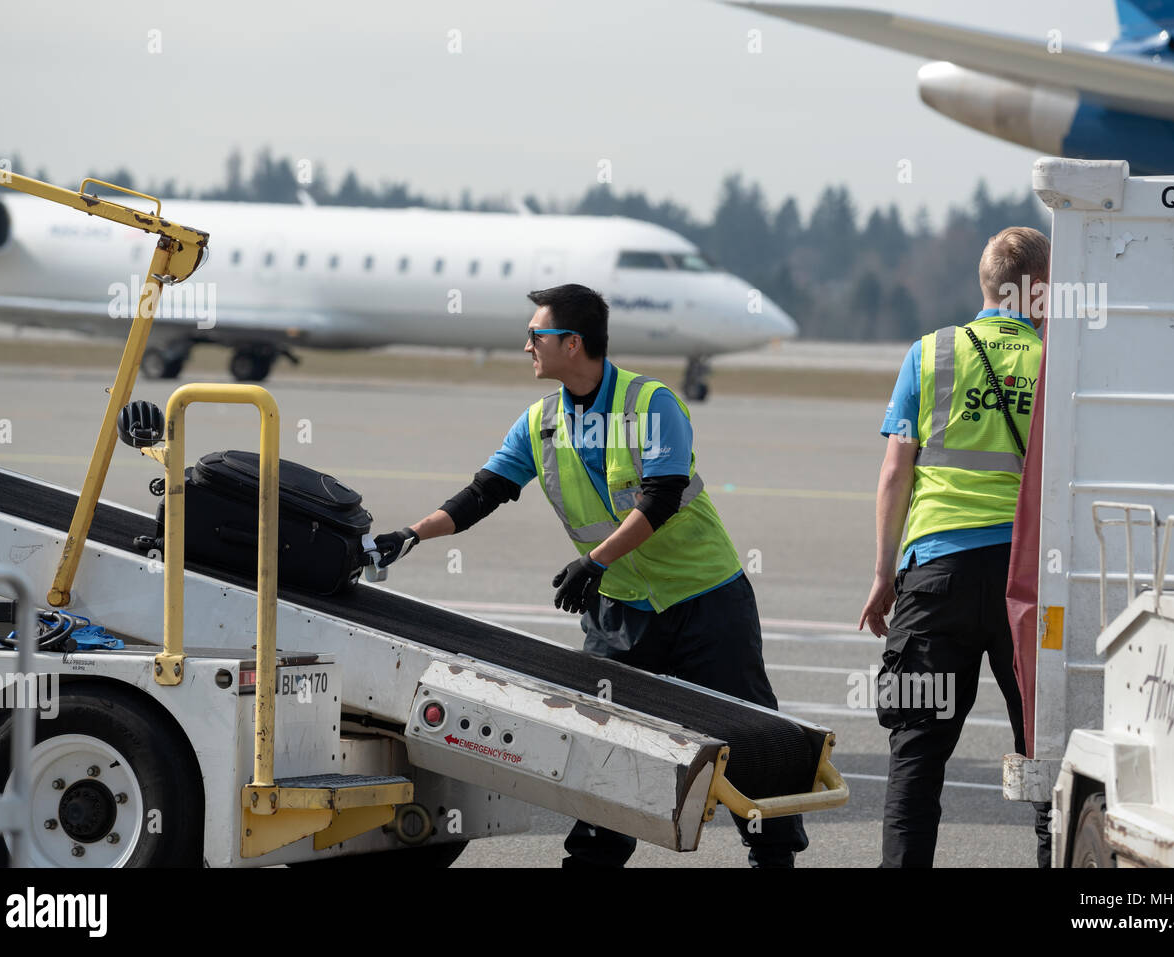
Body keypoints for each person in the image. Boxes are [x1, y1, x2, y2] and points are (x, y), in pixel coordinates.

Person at [370, 283, 807, 868]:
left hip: (706, 598)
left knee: (748, 732)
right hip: (622, 608)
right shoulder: (541, 422)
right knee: (606, 742)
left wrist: (594, 560)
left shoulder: (652, 403)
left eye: (536, 335)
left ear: (572, 344)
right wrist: (414, 533)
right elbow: (485, 493)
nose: (526, 345)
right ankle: (593, 860)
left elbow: (661, 498)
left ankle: (773, 855)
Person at [858, 226, 1050, 867]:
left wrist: (885, 574)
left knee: (917, 751)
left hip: (934, 575)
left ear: (986, 286)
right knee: (1044, 748)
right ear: (1041, 290)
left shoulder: (931, 352)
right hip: (1025, 582)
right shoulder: (1058, 358)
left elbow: (895, 472)